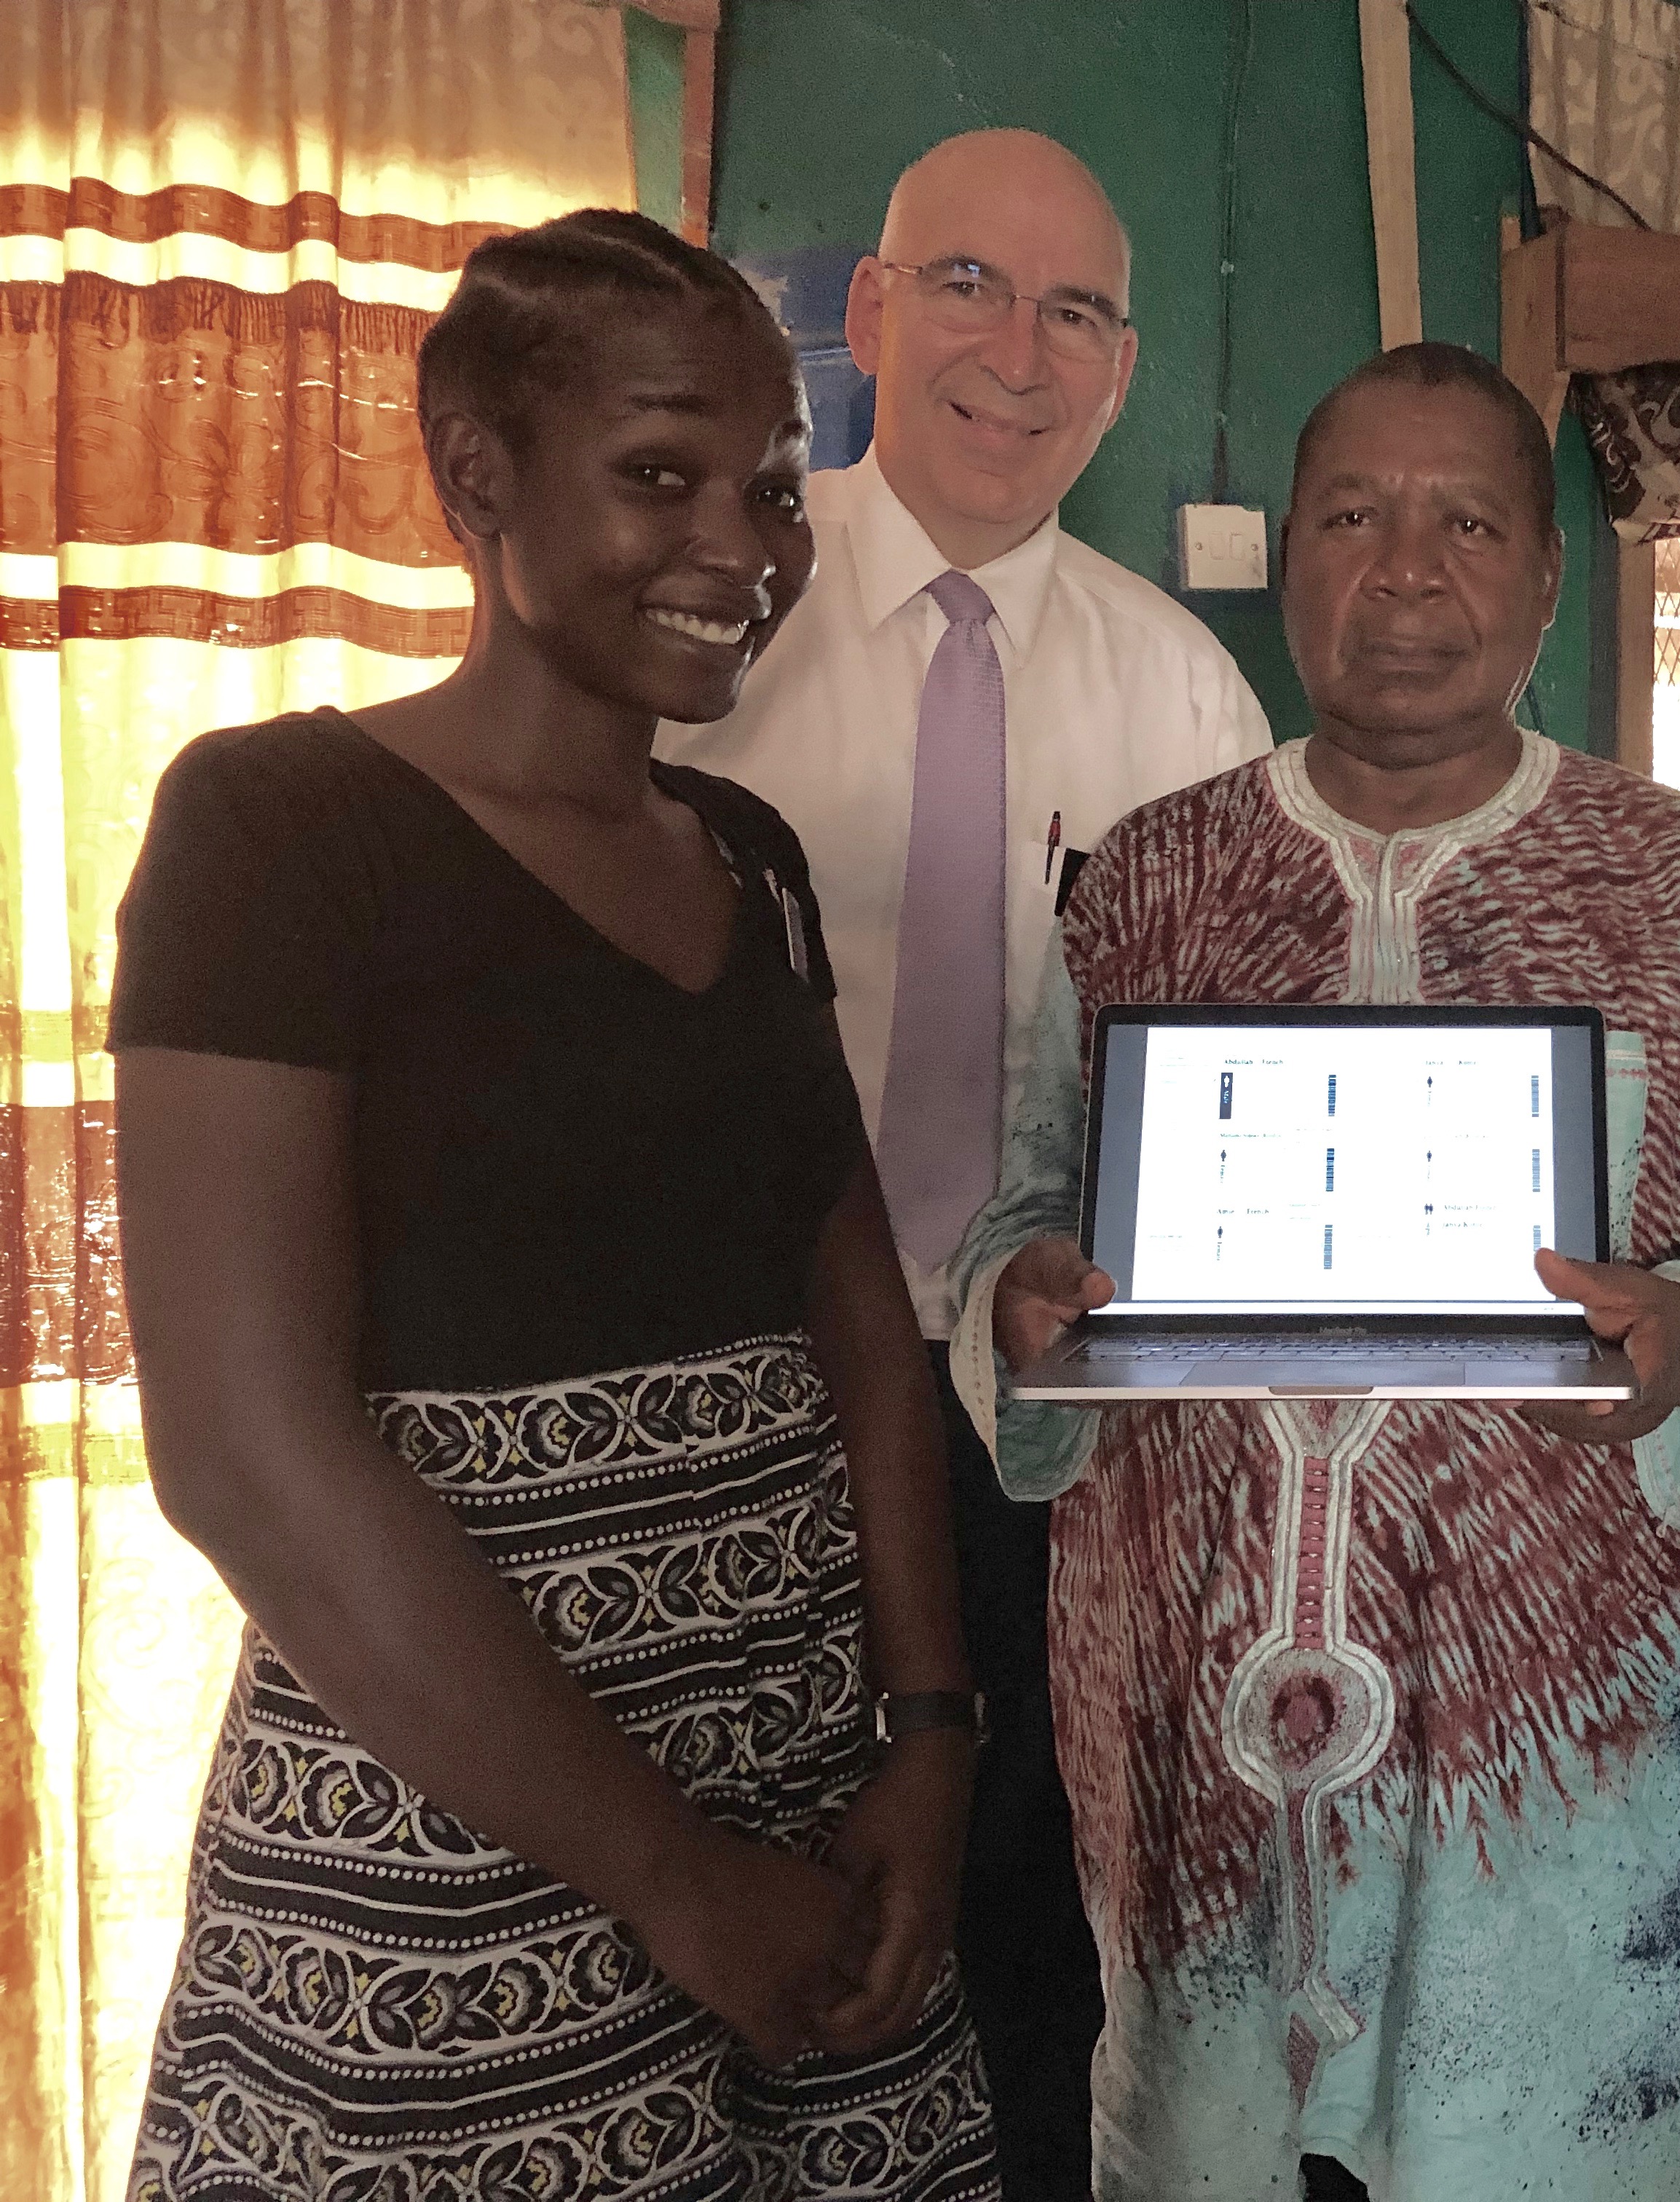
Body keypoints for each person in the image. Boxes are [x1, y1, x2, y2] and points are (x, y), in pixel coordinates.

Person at [951, 342, 1680, 2202]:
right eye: (1353, 517)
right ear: (1288, 560)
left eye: (1467, 524)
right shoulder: (1147, 880)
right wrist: (1021, 1304)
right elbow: (1024, 1206)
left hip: (1584, 1833)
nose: (1406, 571)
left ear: (1547, 579)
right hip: (1208, 1810)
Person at [114, 212, 995, 2199]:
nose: (740, 544)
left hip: (811, 1793)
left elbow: (857, 1313)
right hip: (463, 1831)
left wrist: (932, 1733)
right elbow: (244, 1453)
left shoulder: (748, 856)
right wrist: (668, 1875)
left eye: (774, 488)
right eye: (661, 475)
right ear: (477, 477)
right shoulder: (280, 834)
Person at [658, 129, 1271, 2200]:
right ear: (868, 311)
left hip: (1046, 1433)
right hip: (735, 1407)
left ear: (1122, 369)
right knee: (737, 1923)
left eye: (1076, 310)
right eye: (969, 286)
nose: (1021, 351)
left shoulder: (1186, 699)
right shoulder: (707, 632)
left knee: (1031, 1953)